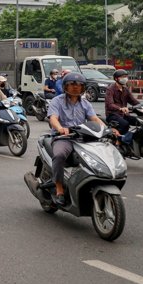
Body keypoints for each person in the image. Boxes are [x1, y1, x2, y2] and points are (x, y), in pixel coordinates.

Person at [47, 72, 111, 207]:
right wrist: (60, 128)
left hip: (83, 138)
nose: (76, 87)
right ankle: (59, 188)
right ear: (65, 86)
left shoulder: (86, 104)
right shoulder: (57, 101)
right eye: (72, 85)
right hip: (64, 138)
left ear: (83, 88)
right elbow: (53, 118)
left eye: (79, 85)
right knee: (59, 155)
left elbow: (94, 119)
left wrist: (107, 130)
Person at [105, 69, 139, 144]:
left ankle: (134, 141)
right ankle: (119, 141)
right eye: (122, 77)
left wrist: (142, 107)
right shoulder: (110, 89)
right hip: (112, 115)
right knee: (125, 124)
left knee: (139, 122)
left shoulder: (125, 89)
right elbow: (110, 104)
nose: (125, 78)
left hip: (124, 114)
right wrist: (120, 108)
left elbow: (133, 101)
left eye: (126, 77)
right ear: (116, 78)